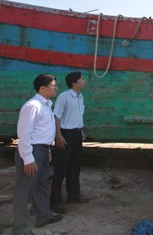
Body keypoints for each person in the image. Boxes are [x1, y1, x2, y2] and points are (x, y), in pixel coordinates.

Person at [12, 74, 63, 235]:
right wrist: (28, 158)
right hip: (32, 151)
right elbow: (24, 134)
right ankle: (21, 229)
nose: (56, 87)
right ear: (42, 88)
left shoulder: (47, 106)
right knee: (24, 190)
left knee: (40, 185)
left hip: (42, 150)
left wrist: (46, 150)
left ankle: (43, 215)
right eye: (53, 85)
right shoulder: (33, 106)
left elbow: (42, 132)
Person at [50, 72, 89, 214]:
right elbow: (56, 116)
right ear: (74, 83)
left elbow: (77, 115)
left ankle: (74, 195)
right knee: (60, 168)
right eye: (82, 79)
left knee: (75, 166)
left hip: (77, 134)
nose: (84, 81)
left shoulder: (80, 97)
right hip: (65, 134)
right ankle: (55, 202)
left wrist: (81, 129)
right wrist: (58, 135)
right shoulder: (64, 96)